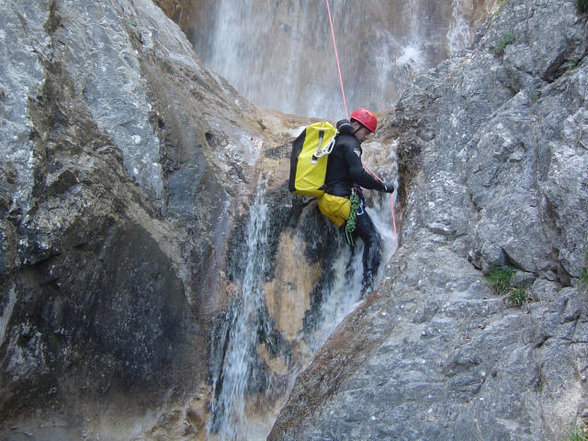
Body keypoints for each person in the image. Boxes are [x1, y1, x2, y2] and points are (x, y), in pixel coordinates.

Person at [317, 108, 394, 295]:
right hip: (341, 201)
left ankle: (348, 280)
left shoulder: (335, 140)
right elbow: (357, 174)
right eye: (366, 131)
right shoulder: (351, 144)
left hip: (326, 201)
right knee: (373, 238)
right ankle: (368, 287)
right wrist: (382, 186)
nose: (367, 136)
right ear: (355, 125)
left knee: (354, 240)